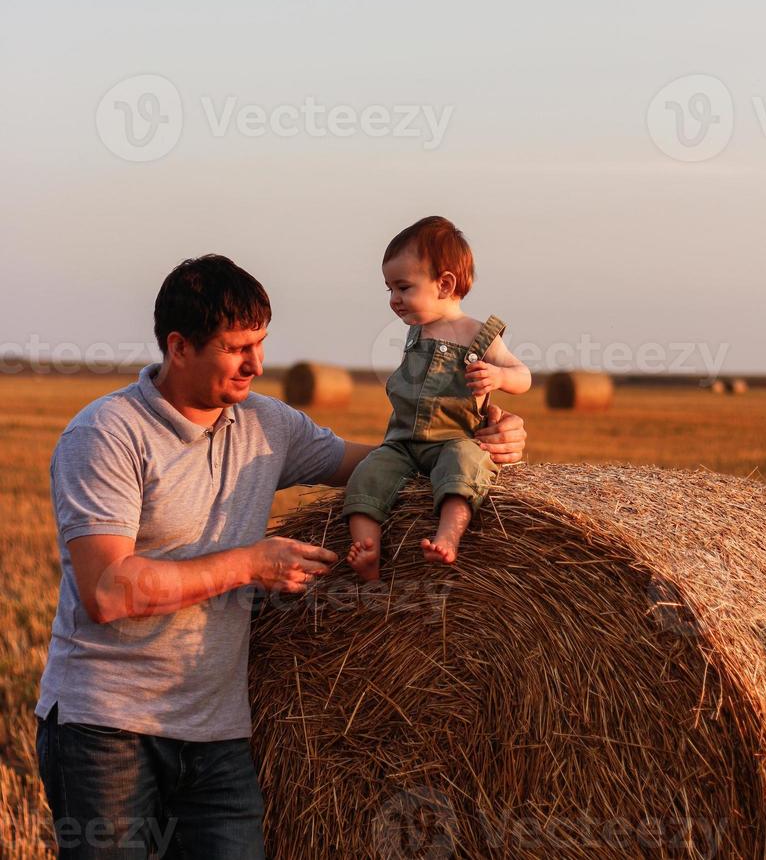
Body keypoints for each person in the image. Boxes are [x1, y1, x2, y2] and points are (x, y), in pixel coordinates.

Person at [34, 254, 527, 859]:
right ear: (179, 346)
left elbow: (383, 465)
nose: (258, 365)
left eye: (261, 344)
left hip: (218, 733)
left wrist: (474, 445)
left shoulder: (267, 423)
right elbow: (109, 591)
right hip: (106, 730)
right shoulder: (108, 434)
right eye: (238, 348)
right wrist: (250, 565)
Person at [344, 217, 532, 581]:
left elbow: (522, 375)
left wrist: (500, 376)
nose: (395, 300)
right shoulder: (416, 332)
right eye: (389, 290)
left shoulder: (479, 334)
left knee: (464, 467)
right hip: (402, 444)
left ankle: (449, 535)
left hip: (453, 440)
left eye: (403, 288)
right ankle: (367, 550)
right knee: (368, 475)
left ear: (444, 284)